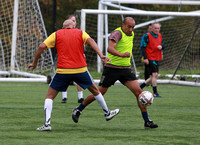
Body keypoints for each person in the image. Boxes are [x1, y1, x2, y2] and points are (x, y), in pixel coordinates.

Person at [28, 19, 120, 131]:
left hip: (63, 71)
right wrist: (101, 55)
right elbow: (91, 41)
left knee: (50, 96)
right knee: (96, 91)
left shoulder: (57, 34)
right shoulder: (80, 32)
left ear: (63, 27)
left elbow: (41, 47)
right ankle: (107, 113)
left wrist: (34, 63)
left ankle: (47, 124)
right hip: (80, 70)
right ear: (73, 25)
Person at [72, 17, 158, 129]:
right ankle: (78, 109)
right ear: (123, 24)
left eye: (133, 27)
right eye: (129, 27)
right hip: (112, 69)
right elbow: (109, 49)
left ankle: (147, 121)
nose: (131, 29)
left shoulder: (131, 34)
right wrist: (122, 55)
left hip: (126, 70)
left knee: (139, 94)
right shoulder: (117, 33)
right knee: (99, 93)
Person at [61, 14, 84, 103]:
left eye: (74, 21)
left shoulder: (79, 33)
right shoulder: (62, 33)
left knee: (79, 78)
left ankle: (80, 97)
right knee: (64, 78)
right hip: (66, 59)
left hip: (77, 59)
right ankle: (64, 97)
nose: (73, 23)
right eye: (71, 21)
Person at [140, 22, 164, 98]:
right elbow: (142, 47)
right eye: (155, 28)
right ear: (152, 28)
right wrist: (145, 58)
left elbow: (163, 45)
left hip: (157, 58)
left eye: (158, 28)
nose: (157, 30)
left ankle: (140, 87)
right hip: (150, 58)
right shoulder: (147, 36)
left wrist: (161, 47)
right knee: (155, 75)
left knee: (154, 76)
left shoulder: (160, 36)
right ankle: (155, 92)